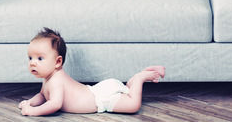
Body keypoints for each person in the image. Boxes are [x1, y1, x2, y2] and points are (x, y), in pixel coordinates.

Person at [19, 28, 165, 116]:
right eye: (30, 57)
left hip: (102, 99)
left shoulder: (56, 81)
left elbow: (54, 104)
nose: (33, 62)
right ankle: (134, 80)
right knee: (126, 90)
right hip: (99, 90)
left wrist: (33, 112)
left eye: (40, 58)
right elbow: (42, 96)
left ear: (58, 62)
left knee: (133, 105)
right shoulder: (49, 79)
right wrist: (30, 103)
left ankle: (140, 78)